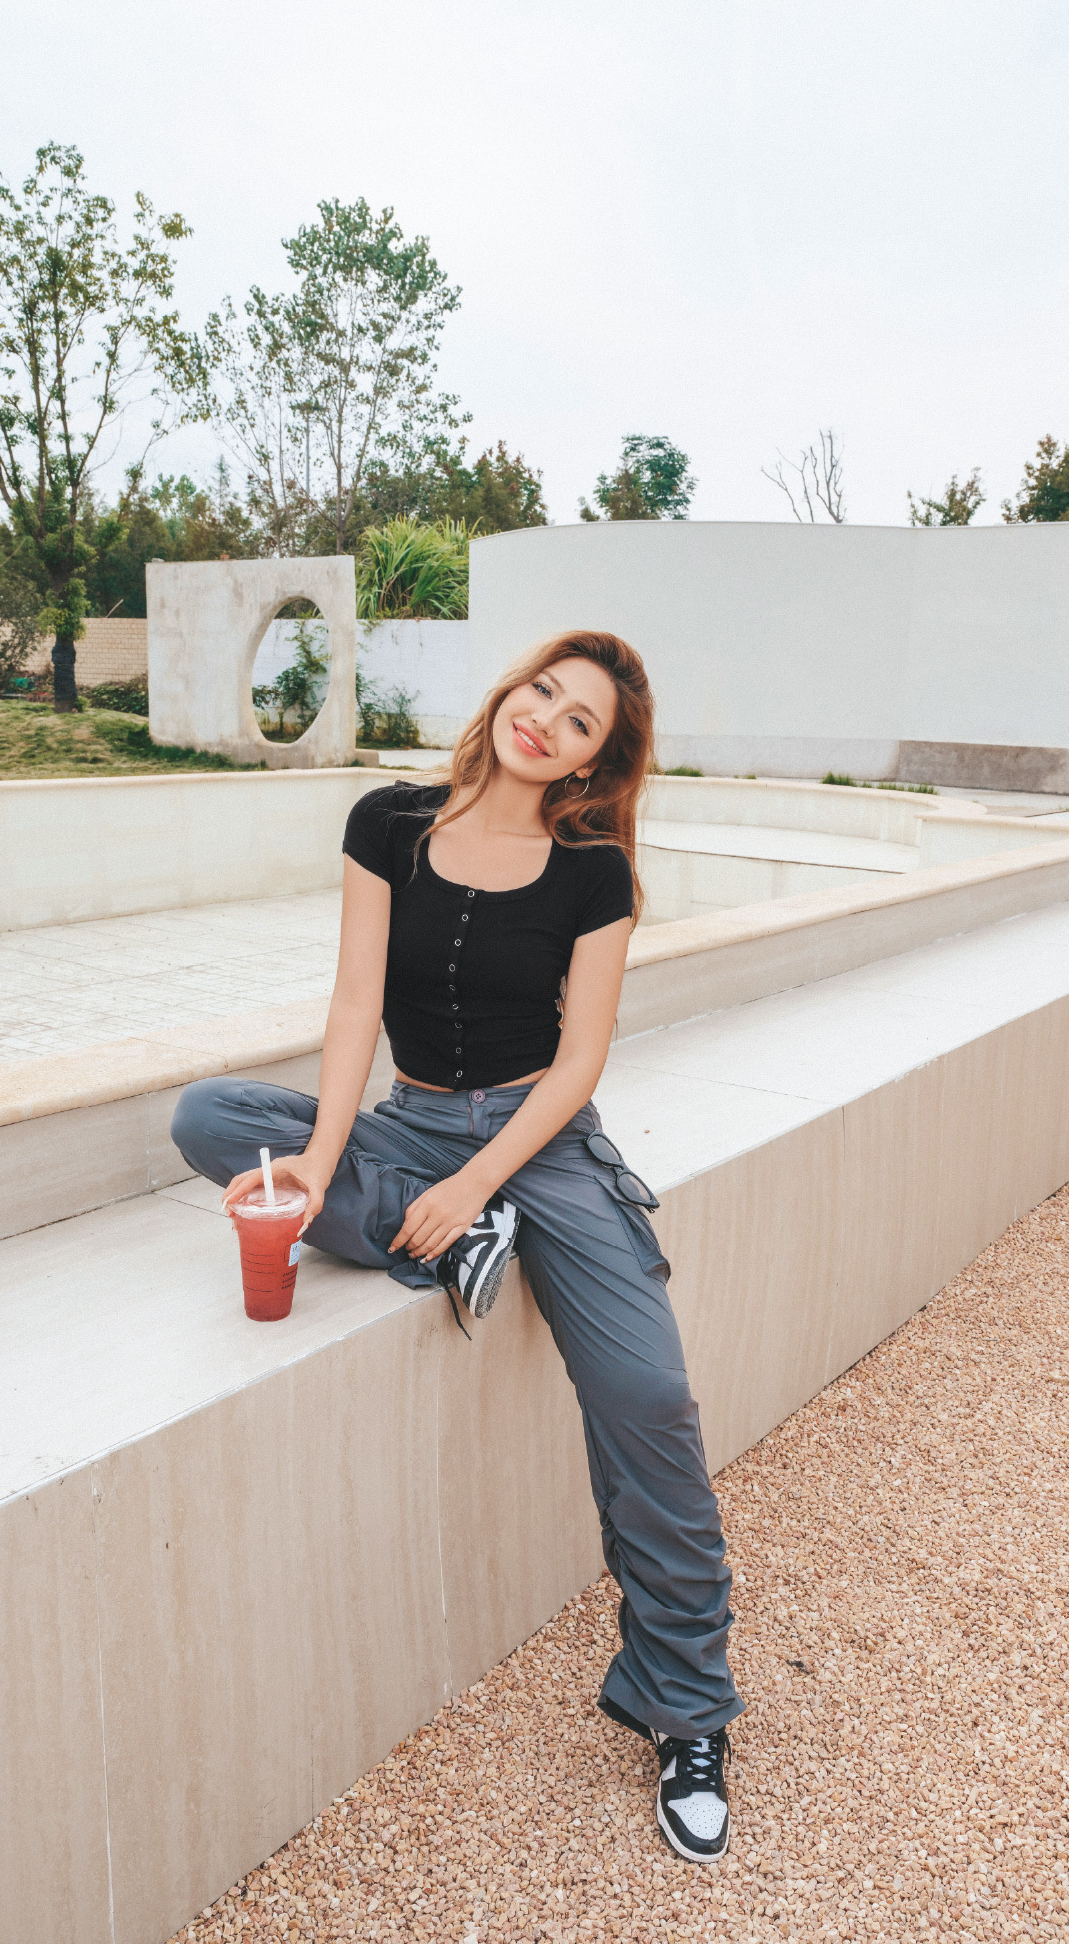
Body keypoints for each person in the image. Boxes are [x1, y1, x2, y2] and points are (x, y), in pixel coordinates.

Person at [171, 630, 743, 1863]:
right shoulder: (387, 820)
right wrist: (325, 1157)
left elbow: (579, 1061)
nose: (548, 719)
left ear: (592, 763)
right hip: (412, 1123)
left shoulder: (594, 872)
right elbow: (353, 1004)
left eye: (581, 722)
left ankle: (688, 1706)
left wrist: (483, 1177)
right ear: (510, 690)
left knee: (648, 1393)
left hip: (541, 1142)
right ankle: (439, 1235)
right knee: (211, 1116)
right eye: (545, 690)